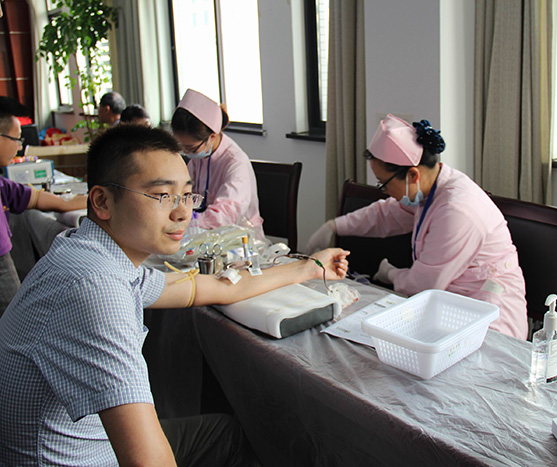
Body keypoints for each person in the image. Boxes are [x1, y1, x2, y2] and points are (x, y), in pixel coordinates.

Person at [0, 124, 349, 465]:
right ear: (102, 201)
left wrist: (310, 267)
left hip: (86, 442)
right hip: (81, 457)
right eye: (162, 195)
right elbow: (147, 461)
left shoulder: (93, 253)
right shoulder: (96, 289)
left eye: (186, 195)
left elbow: (210, 287)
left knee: (227, 432)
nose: (183, 212)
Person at [306, 114, 527, 339]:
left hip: (490, 319)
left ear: (413, 175)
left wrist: (391, 274)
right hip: (450, 308)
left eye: (383, 184)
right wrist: (335, 226)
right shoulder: (429, 190)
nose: (384, 191)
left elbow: (425, 284)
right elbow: (385, 215)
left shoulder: (457, 210)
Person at [0, 96, 87, 315]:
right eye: (16, 139)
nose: (19, 147)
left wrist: (93, 200)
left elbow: (37, 199)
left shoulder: (2, 184)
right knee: (13, 319)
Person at [171, 89, 263, 235]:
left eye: (190, 148)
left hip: (238, 237)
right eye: (181, 146)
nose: (186, 153)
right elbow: (183, 193)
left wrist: (190, 220)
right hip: (204, 234)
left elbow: (226, 214)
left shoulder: (236, 163)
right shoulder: (198, 158)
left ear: (212, 137)